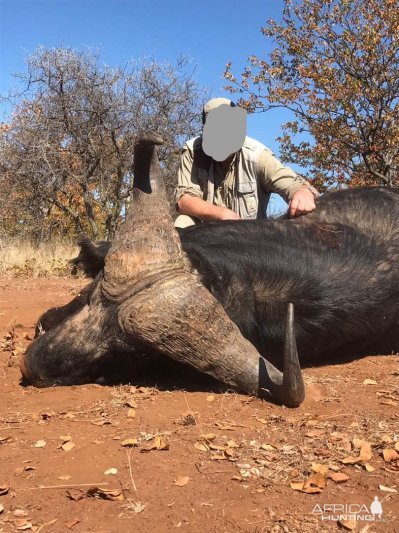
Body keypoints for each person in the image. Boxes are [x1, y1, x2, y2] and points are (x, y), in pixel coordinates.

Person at [174, 97, 318, 228]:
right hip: (206, 237)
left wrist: (302, 193)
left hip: (248, 241)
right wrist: (222, 215)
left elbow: (292, 184)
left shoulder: (258, 156)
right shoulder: (193, 152)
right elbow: (184, 200)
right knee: (183, 221)